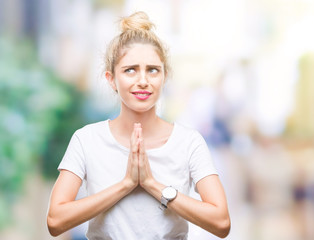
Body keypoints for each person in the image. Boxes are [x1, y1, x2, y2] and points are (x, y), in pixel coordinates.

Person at [46, 11, 231, 239]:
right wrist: (126, 184)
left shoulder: (189, 142)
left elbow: (221, 222)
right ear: (111, 79)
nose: (143, 80)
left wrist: (154, 185)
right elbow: (55, 220)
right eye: (130, 70)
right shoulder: (87, 140)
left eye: (153, 70)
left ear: (164, 77)